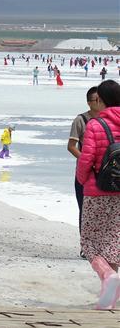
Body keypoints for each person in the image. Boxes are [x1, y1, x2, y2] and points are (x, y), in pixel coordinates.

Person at [75, 80, 120, 309]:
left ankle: (108, 275)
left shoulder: (95, 124)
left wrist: (83, 180)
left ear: (100, 100)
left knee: (89, 241)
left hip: (97, 190)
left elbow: (87, 158)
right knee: (113, 240)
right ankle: (108, 298)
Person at [68, 86, 104, 230]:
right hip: (85, 172)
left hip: (105, 172)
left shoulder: (108, 119)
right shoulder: (81, 120)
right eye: (96, 100)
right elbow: (71, 146)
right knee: (84, 209)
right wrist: (86, 160)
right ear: (89, 103)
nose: (100, 102)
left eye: (101, 99)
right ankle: (84, 240)